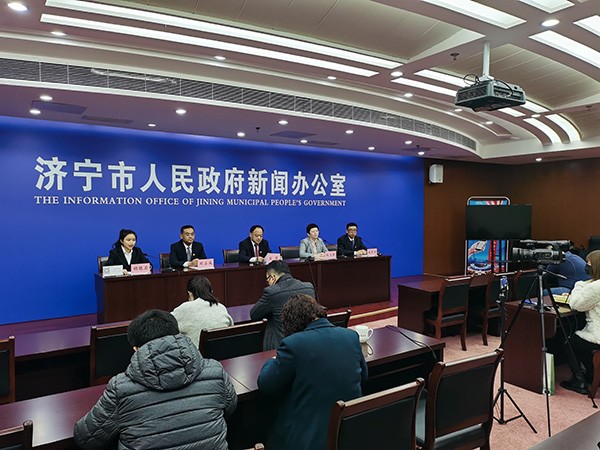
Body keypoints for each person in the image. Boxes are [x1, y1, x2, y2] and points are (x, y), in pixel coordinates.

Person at [73, 309, 237, 449]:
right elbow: (230, 406)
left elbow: (86, 438)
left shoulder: (120, 388)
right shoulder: (214, 370)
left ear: (136, 349)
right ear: (177, 335)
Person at [257, 294, 368, 450]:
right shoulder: (350, 336)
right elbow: (364, 377)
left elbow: (266, 384)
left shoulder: (293, 344)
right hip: (348, 434)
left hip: (306, 441)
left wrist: (272, 360)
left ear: (292, 323)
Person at [250, 260, 315, 350]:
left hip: (281, 347)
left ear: (273, 277)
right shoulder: (309, 287)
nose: (268, 283)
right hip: (307, 344)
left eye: (267, 280)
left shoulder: (272, 292)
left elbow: (254, 314)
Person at [560, 250, 600, 395]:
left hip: (598, 335)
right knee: (580, 343)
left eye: (589, 264)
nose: (586, 266)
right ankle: (591, 374)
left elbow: (577, 304)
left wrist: (578, 286)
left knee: (570, 343)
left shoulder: (596, 287)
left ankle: (579, 381)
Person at [171, 276, 234, 348]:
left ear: (190, 294)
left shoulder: (185, 308)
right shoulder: (221, 307)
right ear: (211, 292)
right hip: (222, 351)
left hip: (196, 354)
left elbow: (165, 324)